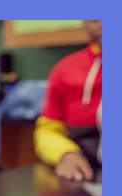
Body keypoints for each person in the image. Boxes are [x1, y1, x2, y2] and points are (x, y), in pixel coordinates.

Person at [34, 20, 102, 182]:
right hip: (86, 176)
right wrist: (65, 153)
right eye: (94, 18)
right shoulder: (66, 69)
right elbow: (47, 131)